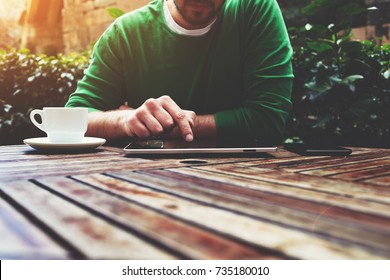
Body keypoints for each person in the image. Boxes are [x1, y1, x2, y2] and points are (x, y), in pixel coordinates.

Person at [65, 0, 293, 145]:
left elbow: (268, 121)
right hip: (145, 182)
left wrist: (160, 129)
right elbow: (72, 119)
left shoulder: (255, 9)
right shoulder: (125, 33)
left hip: (248, 178)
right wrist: (124, 120)